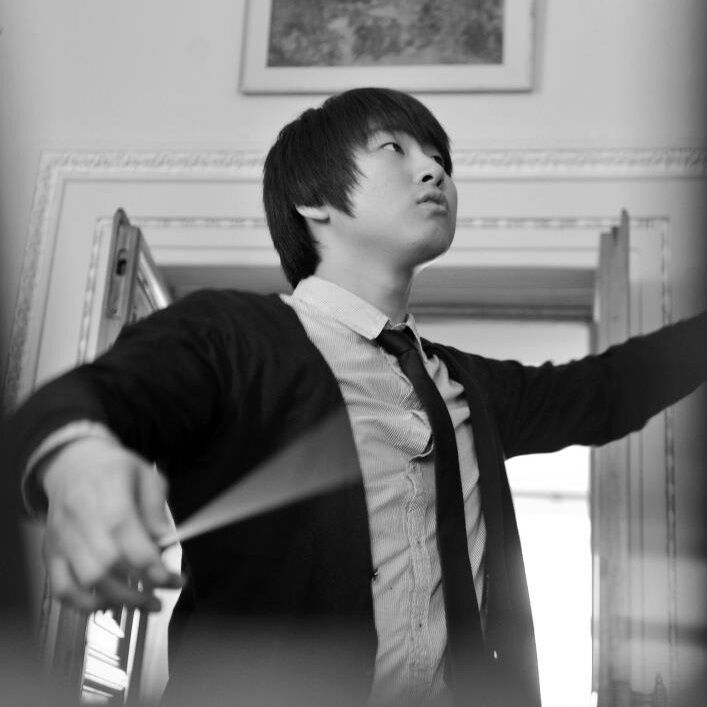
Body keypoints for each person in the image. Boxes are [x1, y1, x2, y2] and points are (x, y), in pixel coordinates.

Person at [6, 88, 706, 707]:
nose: (434, 171)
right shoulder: (230, 334)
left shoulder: (470, 385)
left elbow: (608, 389)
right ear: (313, 200)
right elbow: (84, 401)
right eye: (395, 149)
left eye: (440, 158)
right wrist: (80, 465)